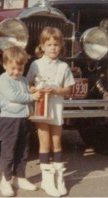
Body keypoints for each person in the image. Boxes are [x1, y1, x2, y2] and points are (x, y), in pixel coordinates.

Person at [26, 27, 75, 197]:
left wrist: (56, 90)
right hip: (41, 108)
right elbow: (28, 84)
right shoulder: (36, 64)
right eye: (49, 44)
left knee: (57, 143)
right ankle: (47, 181)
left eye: (56, 44)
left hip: (56, 107)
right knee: (45, 143)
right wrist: (36, 89)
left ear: (61, 46)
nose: (53, 47)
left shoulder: (63, 67)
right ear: (42, 46)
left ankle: (59, 178)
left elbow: (69, 89)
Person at [0, 46, 41, 197]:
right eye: (12, 68)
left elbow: (26, 91)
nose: (16, 72)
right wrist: (31, 97)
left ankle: (20, 177)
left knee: (23, 150)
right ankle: (5, 180)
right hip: (9, 120)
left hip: (24, 120)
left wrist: (32, 90)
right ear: (5, 65)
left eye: (20, 69)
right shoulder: (3, 79)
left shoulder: (23, 80)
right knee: (8, 151)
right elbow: (13, 96)